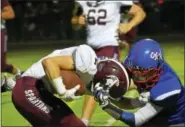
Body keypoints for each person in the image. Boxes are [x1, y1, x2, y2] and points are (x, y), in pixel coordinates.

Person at [72, 0, 146, 125]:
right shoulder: (83, 2)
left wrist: (129, 25)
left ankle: (84, 121)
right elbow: (74, 21)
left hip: (109, 45)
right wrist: (77, 21)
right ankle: (146, 86)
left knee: (96, 81)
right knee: (105, 83)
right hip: (90, 48)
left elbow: (140, 12)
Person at [92, 39, 185, 126]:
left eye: (143, 75)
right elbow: (128, 103)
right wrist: (106, 92)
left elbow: (136, 120)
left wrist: (106, 105)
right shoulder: (147, 68)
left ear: (157, 69)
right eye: (134, 73)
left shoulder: (167, 89)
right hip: (160, 113)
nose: (137, 78)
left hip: (175, 120)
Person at [11, 45, 97, 126]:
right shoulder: (84, 60)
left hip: (43, 93)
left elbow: (91, 92)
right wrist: (63, 92)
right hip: (28, 87)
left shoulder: (93, 67)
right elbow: (48, 62)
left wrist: (85, 121)